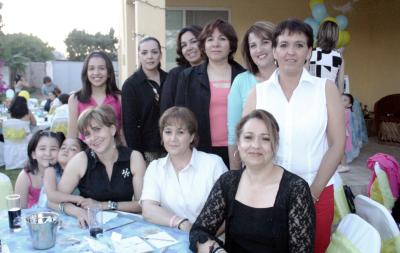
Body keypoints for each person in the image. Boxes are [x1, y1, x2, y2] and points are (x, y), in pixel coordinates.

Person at [244, 19, 345, 253]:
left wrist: (313, 192)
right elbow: (247, 145)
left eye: (299, 45)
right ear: (275, 51)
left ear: (309, 51)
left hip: (317, 191)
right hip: (266, 194)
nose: (291, 52)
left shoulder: (326, 89)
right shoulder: (257, 94)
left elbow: (338, 145)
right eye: (284, 44)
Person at [190, 109, 315, 253]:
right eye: (248, 137)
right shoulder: (228, 182)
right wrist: (217, 251)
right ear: (238, 143)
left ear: (275, 145)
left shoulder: (296, 189)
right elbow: (199, 231)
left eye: (266, 139)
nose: (256, 145)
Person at [141, 106, 227, 232]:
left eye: (180, 132)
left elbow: (228, 213)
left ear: (192, 137)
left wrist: (202, 238)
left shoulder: (213, 164)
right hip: (172, 242)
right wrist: (180, 222)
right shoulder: (155, 168)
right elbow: (148, 209)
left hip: (210, 240)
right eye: (168, 132)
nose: (173, 139)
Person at [58, 105, 146, 227]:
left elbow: (142, 205)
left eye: (97, 129)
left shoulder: (134, 158)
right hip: (90, 227)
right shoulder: (80, 160)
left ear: (112, 129)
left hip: (127, 227)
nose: (93, 138)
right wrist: (77, 211)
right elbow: (54, 200)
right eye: (87, 134)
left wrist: (102, 205)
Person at [175, 19, 245, 167]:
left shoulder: (244, 76)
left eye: (222, 39)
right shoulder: (188, 77)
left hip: (239, 150)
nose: (215, 44)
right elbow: (180, 116)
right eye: (210, 39)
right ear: (203, 45)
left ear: (231, 45)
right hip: (200, 151)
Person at [227, 21, 276, 170]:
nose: (259, 49)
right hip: (255, 168)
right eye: (253, 45)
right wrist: (235, 176)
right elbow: (233, 133)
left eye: (265, 42)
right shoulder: (241, 82)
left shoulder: (291, 79)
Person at [122, 37, 168, 163]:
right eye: (144, 53)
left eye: (154, 52)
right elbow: (129, 125)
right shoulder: (131, 85)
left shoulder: (170, 79)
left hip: (172, 147)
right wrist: (137, 156)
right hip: (146, 152)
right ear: (139, 56)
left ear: (160, 54)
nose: (150, 56)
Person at [68, 51, 124, 145]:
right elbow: (72, 135)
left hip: (115, 153)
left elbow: (123, 133)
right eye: (91, 68)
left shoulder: (119, 98)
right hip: (87, 154)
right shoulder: (75, 99)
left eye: (101, 68)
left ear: (109, 73)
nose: (96, 72)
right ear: (86, 73)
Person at [160, 25, 203, 114]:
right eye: (184, 45)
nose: (189, 48)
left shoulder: (215, 72)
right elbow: (166, 111)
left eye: (194, 41)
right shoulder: (175, 75)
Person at [14, 130, 62, 208]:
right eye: (42, 149)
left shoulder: (62, 173)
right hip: (32, 217)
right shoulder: (25, 177)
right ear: (33, 154)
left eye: (53, 149)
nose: (48, 153)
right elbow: (20, 209)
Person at [42, 137, 87, 210]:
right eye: (63, 147)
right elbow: (51, 195)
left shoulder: (81, 173)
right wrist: (77, 199)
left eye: (73, 149)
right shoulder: (51, 170)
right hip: (47, 211)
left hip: (70, 213)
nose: (66, 150)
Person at [308, 21, 344, 93]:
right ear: (336, 36)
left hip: (311, 95)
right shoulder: (339, 57)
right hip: (329, 96)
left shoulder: (309, 53)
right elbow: (341, 85)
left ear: (320, 33)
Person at [338, 93, 354, 173]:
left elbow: (342, 122)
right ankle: (341, 164)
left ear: (349, 105)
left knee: (341, 150)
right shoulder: (341, 110)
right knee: (338, 149)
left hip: (342, 132)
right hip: (339, 131)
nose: (341, 101)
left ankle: (344, 165)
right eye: (340, 99)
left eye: (345, 100)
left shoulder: (346, 112)